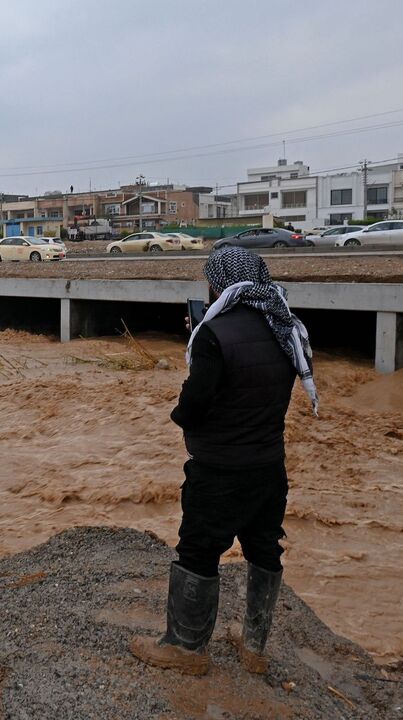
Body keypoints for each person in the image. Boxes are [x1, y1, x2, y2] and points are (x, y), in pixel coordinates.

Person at [130, 246, 318, 677]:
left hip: (218, 469)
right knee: (264, 547)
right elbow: (258, 386)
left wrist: (182, 405)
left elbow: (196, 403)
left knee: (199, 550)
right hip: (269, 466)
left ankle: (186, 648)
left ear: (219, 283)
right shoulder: (286, 327)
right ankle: (254, 647)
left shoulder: (214, 334)